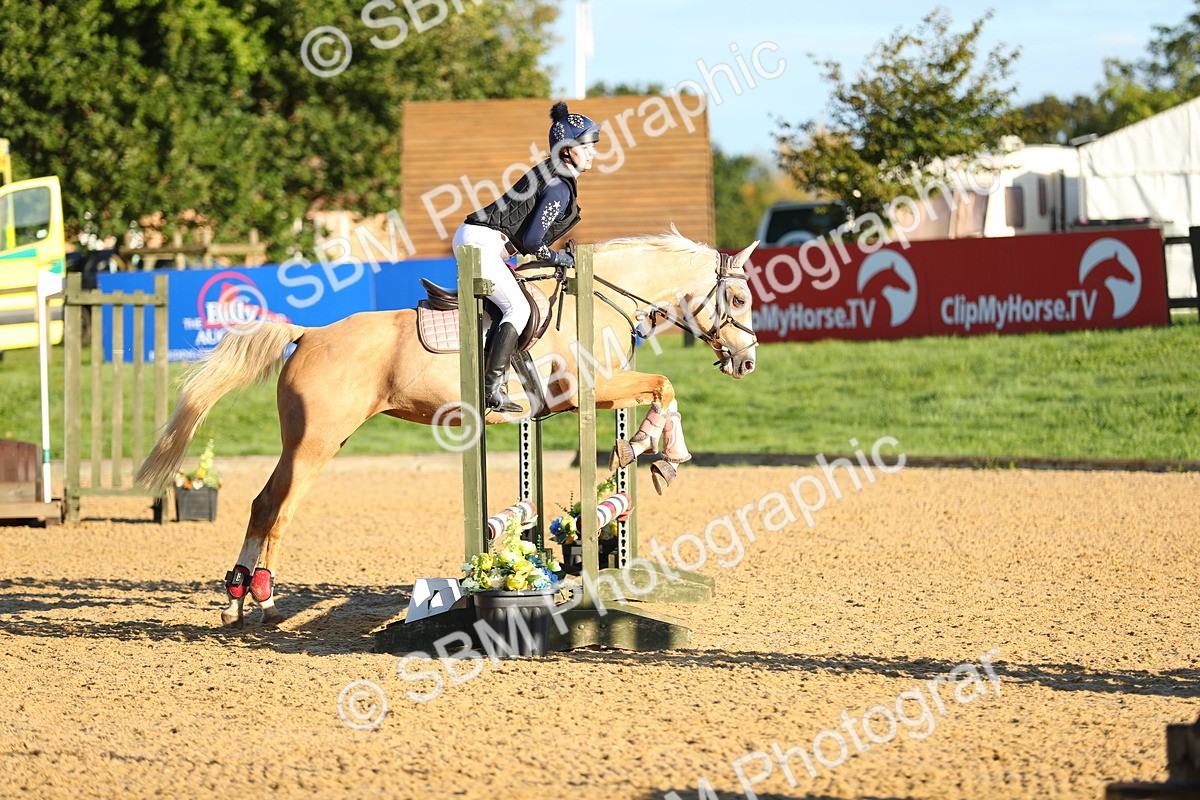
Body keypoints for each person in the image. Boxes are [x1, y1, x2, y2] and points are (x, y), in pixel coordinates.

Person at [454, 101, 601, 413]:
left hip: (483, 241)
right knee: (518, 307)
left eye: (592, 147)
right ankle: (491, 388)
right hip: (481, 243)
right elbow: (534, 241)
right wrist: (557, 258)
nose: (592, 153)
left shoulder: (555, 176)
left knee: (517, 301)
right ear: (566, 150)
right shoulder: (558, 186)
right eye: (586, 147)